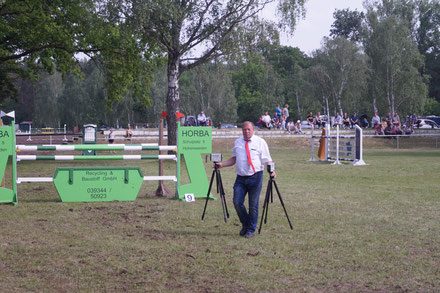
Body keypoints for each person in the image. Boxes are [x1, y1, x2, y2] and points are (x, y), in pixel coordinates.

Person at [215, 121, 275, 239]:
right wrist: (222, 164)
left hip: (256, 176)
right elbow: (234, 159)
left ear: (253, 130)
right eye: (244, 129)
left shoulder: (260, 142)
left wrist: (272, 171)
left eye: (248, 129)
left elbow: (267, 159)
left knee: (253, 205)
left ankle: (251, 229)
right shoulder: (238, 142)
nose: (246, 132)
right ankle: (246, 223)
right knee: (237, 202)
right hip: (241, 178)